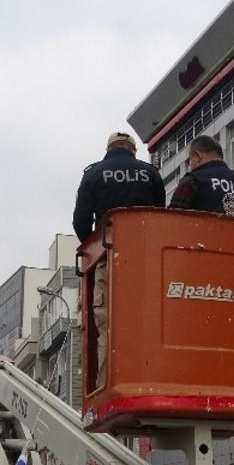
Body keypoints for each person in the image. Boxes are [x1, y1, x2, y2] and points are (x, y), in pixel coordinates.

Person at [72, 132, 165, 389]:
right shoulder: (150, 173)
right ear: (133, 151)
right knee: (147, 322)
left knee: (108, 325)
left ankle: (107, 386)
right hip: (146, 262)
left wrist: (95, 250)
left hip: (109, 257)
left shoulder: (93, 174)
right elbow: (159, 215)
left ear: (108, 149)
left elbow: (80, 221)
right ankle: (149, 381)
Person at [167, 135, 234, 219]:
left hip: (202, 240)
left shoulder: (193, 180)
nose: (190, 165)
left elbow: (173, 219)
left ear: (197, 156)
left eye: (189, 161)